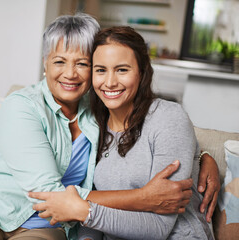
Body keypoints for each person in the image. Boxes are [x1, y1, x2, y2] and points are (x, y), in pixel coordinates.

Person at [0, 14, 219, 240]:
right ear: (44, 64)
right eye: (59, 61)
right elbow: (54, 195)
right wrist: (143, 197)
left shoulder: (98, 109)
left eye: (82, 63)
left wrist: (204, 158)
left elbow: (163, 131)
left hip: (45, 224)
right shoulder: (23, 107)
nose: (70, 74)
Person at [29, 26, 215, 239]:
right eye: (101, 70)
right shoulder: (93, 125)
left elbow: (159, 227)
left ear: (142, 72)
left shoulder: (167, 117)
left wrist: (84, 212)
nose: (109, 82)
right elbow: (99, 207)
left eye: (122, 70)